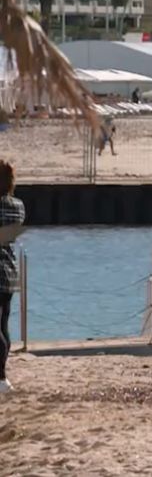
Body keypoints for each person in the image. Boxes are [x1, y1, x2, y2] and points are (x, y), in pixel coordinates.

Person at [0, 157, 23, 392]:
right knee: (3, 323)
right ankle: (2, 378)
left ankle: (1, 377)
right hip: (9, 269)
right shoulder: (18, 206)